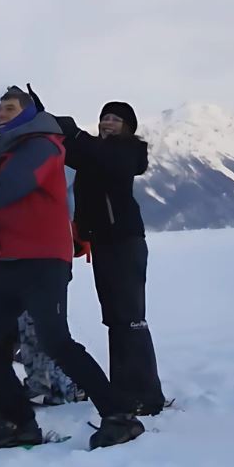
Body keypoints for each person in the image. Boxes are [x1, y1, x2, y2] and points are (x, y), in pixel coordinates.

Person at [0, 86, 144, 450]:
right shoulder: (2, 153)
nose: (1, 114)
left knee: (56, 342)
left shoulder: (42, 145)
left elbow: (9, 189)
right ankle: (21, 421)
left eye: (9, 108)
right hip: (6, 263)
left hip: (42, 261)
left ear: (27, 112)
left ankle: (119, 416)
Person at [53, 98, 166, 416]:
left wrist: (75, 133)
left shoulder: (128, 151)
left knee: (130, 319)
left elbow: (104, 157)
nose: (107, 123)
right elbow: (74, 150)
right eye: (104, 118)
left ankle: (146, 394)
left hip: (125, 240)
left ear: (128, 126)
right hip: (104, 242)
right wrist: (46, 115)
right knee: (116, 319)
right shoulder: (95, 152)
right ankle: (126, 390)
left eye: (115, 119)